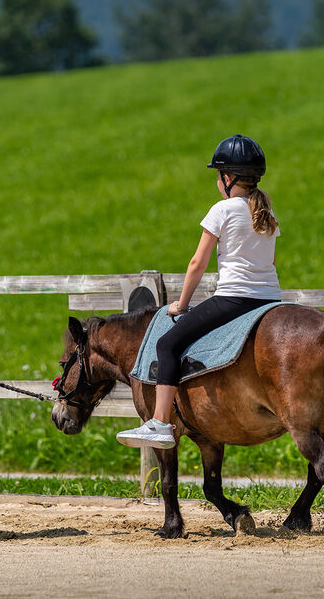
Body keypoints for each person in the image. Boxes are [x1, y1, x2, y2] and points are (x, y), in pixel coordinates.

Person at [116, 135, 281, 449]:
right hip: (269, 299)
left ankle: (161, 423)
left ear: (227, 178)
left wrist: (182, 303)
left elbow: (197, 262)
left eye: (217, 176)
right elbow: (269, 261)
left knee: (167, 344)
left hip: (235, 299)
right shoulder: (267, 211)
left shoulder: (222, 209)